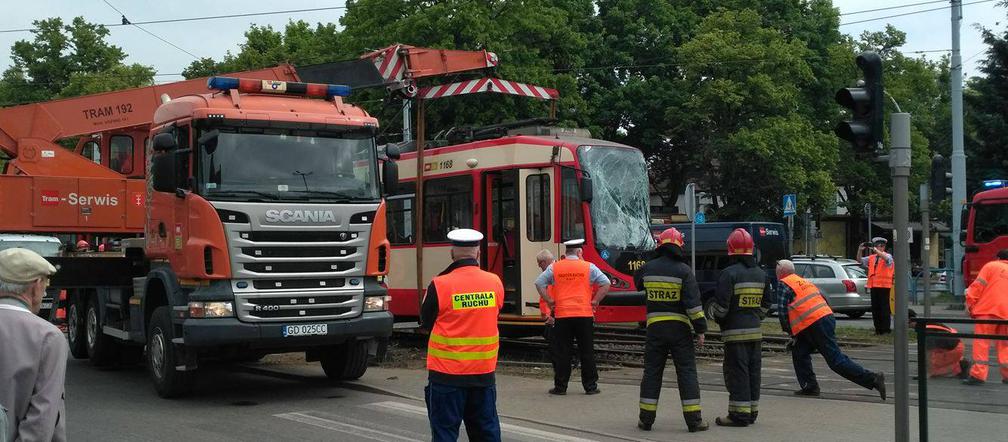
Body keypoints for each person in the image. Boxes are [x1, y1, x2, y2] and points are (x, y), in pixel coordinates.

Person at [419, 229, 504, 441]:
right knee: (486, 434)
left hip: (446, 377)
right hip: (483, 375)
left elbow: (426, 322)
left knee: (445, 435)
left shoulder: (439, 284)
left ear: (452, 254)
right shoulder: (494, 282)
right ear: (478, 254)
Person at [776, 260, 887, 400]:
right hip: (824, 318)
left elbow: (782, 312)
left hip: (813, 323)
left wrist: (791, 333)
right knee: (799, 352)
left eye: (776, 271)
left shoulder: (783, 283)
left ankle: (873, 379)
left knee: (835, 360)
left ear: (780, 272)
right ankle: (809, 386)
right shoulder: (802, 281)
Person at [635, 228, 709, 433]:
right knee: (686, 373)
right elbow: (694, 306)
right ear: (679, 247)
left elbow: (637, 282)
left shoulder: (648, 268)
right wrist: (700, 330)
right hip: (680, 332)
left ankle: (646, 420)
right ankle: (694, 421)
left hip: (655, 330)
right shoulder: (684, 271)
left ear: (660, 246)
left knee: (651, 373)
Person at [705, 228, 772, 427]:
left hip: (734, 334)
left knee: (737, 373)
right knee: (753, 373)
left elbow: (721, 308)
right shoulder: (761, 274)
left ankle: (738, 416)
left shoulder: (729, 274)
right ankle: (751, 412)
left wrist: (714, 317)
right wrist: (754, 318)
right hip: (755, 333)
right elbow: (767, 304)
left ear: (730, 250)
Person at [0, 248, 66, 442]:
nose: (45, 289)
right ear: (36, 286)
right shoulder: (47, 337)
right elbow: (41, 420)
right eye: (46, 282)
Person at [535, 239, 611, 395]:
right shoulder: (588, 267)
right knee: (587, 351)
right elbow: (606, 283)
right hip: (584, 315)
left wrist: (549, 300)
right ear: (579, 252)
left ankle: (561, 387)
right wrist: (595, 300)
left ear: (566, 253)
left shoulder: (554, 267)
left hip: (562, 316)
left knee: (563, 352)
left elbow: (539, 283)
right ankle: (590, 387)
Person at [963, 248, 1008, 385]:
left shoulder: (991, 266)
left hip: (988, 311)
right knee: (1005, 345)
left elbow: (977, 287)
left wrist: (970, 306)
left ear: (998, 258)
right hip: (1006, 313)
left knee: (982, 343)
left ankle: (978, 375)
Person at [907, 310, 971, 379]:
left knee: (935, 370)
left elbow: (928, 352)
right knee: (929, 364)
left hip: (954, 349)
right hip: (953, 346)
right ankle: (957, 362)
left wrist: (928, 372)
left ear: (908, 320)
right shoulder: (924, 323)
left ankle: (960, 367)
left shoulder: (926, 330)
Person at [858, 237, 894, 334]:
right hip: (874, 286)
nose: (880, 247)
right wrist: (860, 250)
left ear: (884, 247)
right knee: (875, 309)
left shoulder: (888, 256)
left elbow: (887, 259)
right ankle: (878, 329)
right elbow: (860, 261)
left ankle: (886, 329)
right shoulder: (872, 257)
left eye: (882, 246)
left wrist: (876, 251)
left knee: (884, 309)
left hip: (884, 286)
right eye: (878, 246)